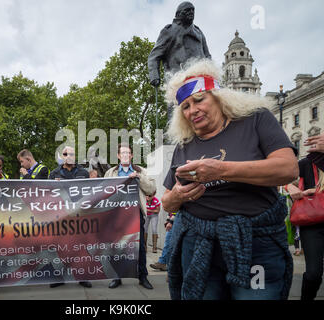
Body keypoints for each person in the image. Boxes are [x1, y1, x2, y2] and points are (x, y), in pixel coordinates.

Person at [161, 59, 298, 300]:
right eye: (185, 106)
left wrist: (222, 170)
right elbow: (167, 202)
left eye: (199, 99)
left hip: (255, 245)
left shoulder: (256, 120)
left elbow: (288, 169)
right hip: (199, 246)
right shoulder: (183, 145)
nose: (192, 110)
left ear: (218, 96)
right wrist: (176, 197)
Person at [286, 128, 324, 300]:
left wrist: (320, 190)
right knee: (313, 273)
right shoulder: (307, 163)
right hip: (312, 221)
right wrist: (289, 187)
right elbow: (283, 176)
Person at [148, 1, 211, 122]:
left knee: (204, 114)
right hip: (178, 82)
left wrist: (212, 73)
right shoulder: (169, 31)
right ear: (178, 14)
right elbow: (154, 56)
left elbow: (207, 55)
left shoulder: (199, 32)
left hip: (200, 81)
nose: (191, 13)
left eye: (193, 10)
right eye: (187, 10)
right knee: (177, 118)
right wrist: (154, 75)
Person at [105, 143, 156, 290]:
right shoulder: (111, 173)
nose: (126, 155)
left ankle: (143, 277)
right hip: (116, 215)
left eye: (128, 153)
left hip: (135, 214)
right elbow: (103, 192)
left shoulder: (141, 171)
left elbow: (151, 190)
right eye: (123, 153)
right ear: (118, 156)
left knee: (139, 247)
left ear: (132, 156)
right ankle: (117, 277)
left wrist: (138, 178)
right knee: (117, 246)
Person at [48, 146, 92, 289]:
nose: (69, 156)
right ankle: (59, 277)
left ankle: (82, 277)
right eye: (66, 154)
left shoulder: (83, 173)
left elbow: (89, 192)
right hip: (61, 217)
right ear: (62, 156)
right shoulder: (54, 173)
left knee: (80, 247)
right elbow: (48, 194)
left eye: (72, 154)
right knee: (60, 248)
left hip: (79, 216)